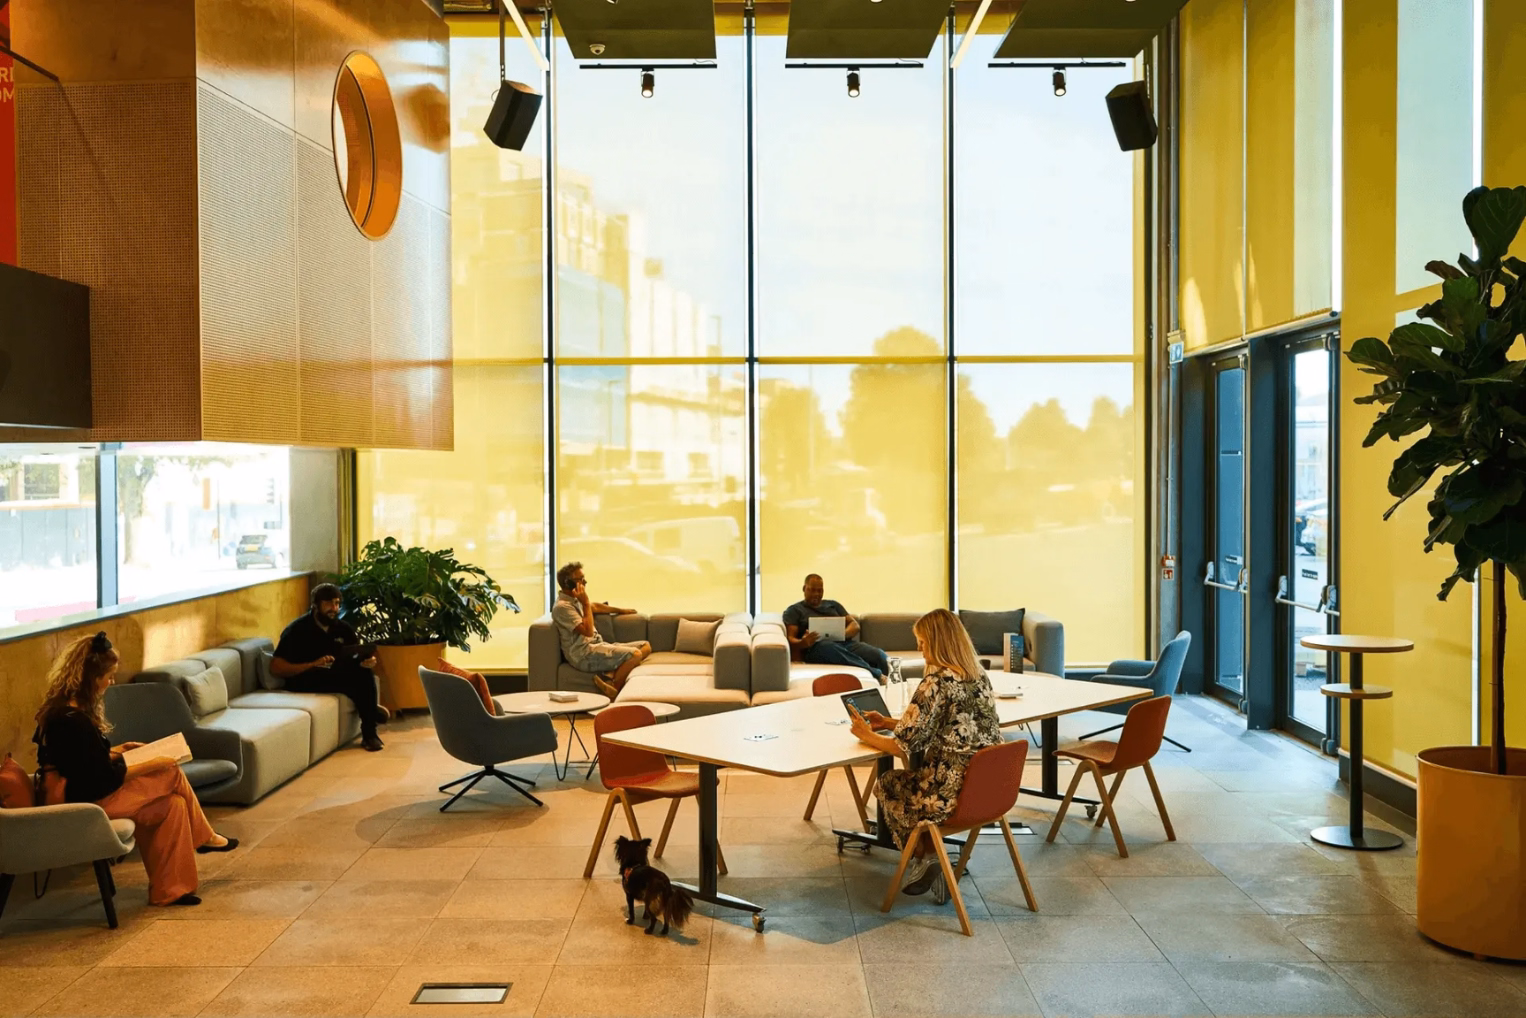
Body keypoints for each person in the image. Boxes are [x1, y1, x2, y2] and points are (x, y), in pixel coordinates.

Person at [31, 632, 237, 908]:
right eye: (109, 676)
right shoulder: (72, 721)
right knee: (169, 771)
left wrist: (118, 751)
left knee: (173, 805)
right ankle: (205, 836)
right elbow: (100, 780)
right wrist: (149, 763)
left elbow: (82, 761)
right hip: (86, 803)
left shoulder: (66, 711)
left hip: (88, 791)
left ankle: (170, 891)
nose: (111, 682)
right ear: (92, 677)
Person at [848, 608, 1000, 903]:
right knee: (910, 779)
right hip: (986, 791)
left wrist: (866, 734)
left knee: (889, 783)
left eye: (922, 642)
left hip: (949, 794)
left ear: (938, 642)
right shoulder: (978, 677)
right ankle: (935, 859)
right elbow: (942, 725)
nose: (919, 648)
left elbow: (903, 746)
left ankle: (927, 856)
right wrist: (890, 723)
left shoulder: (936, 682)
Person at [271, 583, 389, 752]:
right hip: (305, 679)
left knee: (363, 673)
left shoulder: (343, 629)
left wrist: (365, 662)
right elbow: (275, 668)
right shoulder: (297, 630)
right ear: (315, 605)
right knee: (355, 684)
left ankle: (370, 734)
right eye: (328, 604)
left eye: (337, 603)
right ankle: (370, 710)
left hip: (334, 675)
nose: (334, 608)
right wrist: (313, 664)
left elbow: (353, 655)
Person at [551, 561, 649, 699]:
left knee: (646, 646)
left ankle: (609, 675)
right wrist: (585, 603)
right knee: (636, 654)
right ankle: (614, 688)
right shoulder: (562, 607)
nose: (585, 582)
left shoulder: (574, 599)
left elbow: (595, 607)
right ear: (568, 583)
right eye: (581, 579)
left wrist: (622, 610)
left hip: (597, 646)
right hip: (583, 654)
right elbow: (587, 631)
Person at [783, 574, 890, 680]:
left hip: (844, 643)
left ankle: (893, 682)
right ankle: (877, 675)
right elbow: (790, 639)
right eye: (812, 590)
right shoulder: (794, 611)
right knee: (829, 647)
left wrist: (841, 634)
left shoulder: (833, 605)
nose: (816, 594)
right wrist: (803, 642)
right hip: (816, 648)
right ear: (804, 588)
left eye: (820, 591)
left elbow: (855, 625)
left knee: (878, 654)